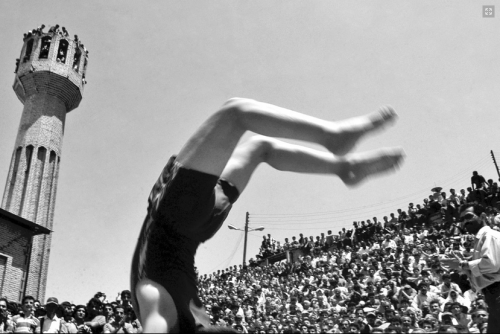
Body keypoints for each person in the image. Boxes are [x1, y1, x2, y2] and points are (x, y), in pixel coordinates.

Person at [130, 98, 405, 332]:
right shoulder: (164, 305)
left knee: (259, 147)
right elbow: (154, 308)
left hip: (198, 222)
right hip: (178, 216)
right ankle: (332, 139)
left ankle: (344, 168)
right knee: (236, 114)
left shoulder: (184, 316)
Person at [440, 203, 500, 333]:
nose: (465, 221)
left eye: (468, 216)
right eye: (463, 219)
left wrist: (463, 264)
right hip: (492, 295)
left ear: (482, 216)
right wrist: (465, 263)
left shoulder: (489, 235)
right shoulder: (480, 239)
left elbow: (491, 264)